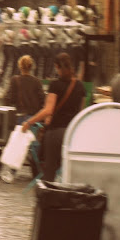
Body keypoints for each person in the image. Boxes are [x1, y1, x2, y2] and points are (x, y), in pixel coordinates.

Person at [21, 53, 85, 182]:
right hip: (72, 134)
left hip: (55, 133)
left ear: (56, 66)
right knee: (69, 170)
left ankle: (48, 193)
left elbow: (48, 110)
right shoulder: (80, 86)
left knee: (49, 170)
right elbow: (81, 112)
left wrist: (29, 122)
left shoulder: (55, 85)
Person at [4, 55, 45, 125]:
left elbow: (10, 98)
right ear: (31, 67)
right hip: (34, 118)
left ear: (19, 66)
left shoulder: (15, 80)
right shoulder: (37, 81)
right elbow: (43, 100)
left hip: (20, 116)